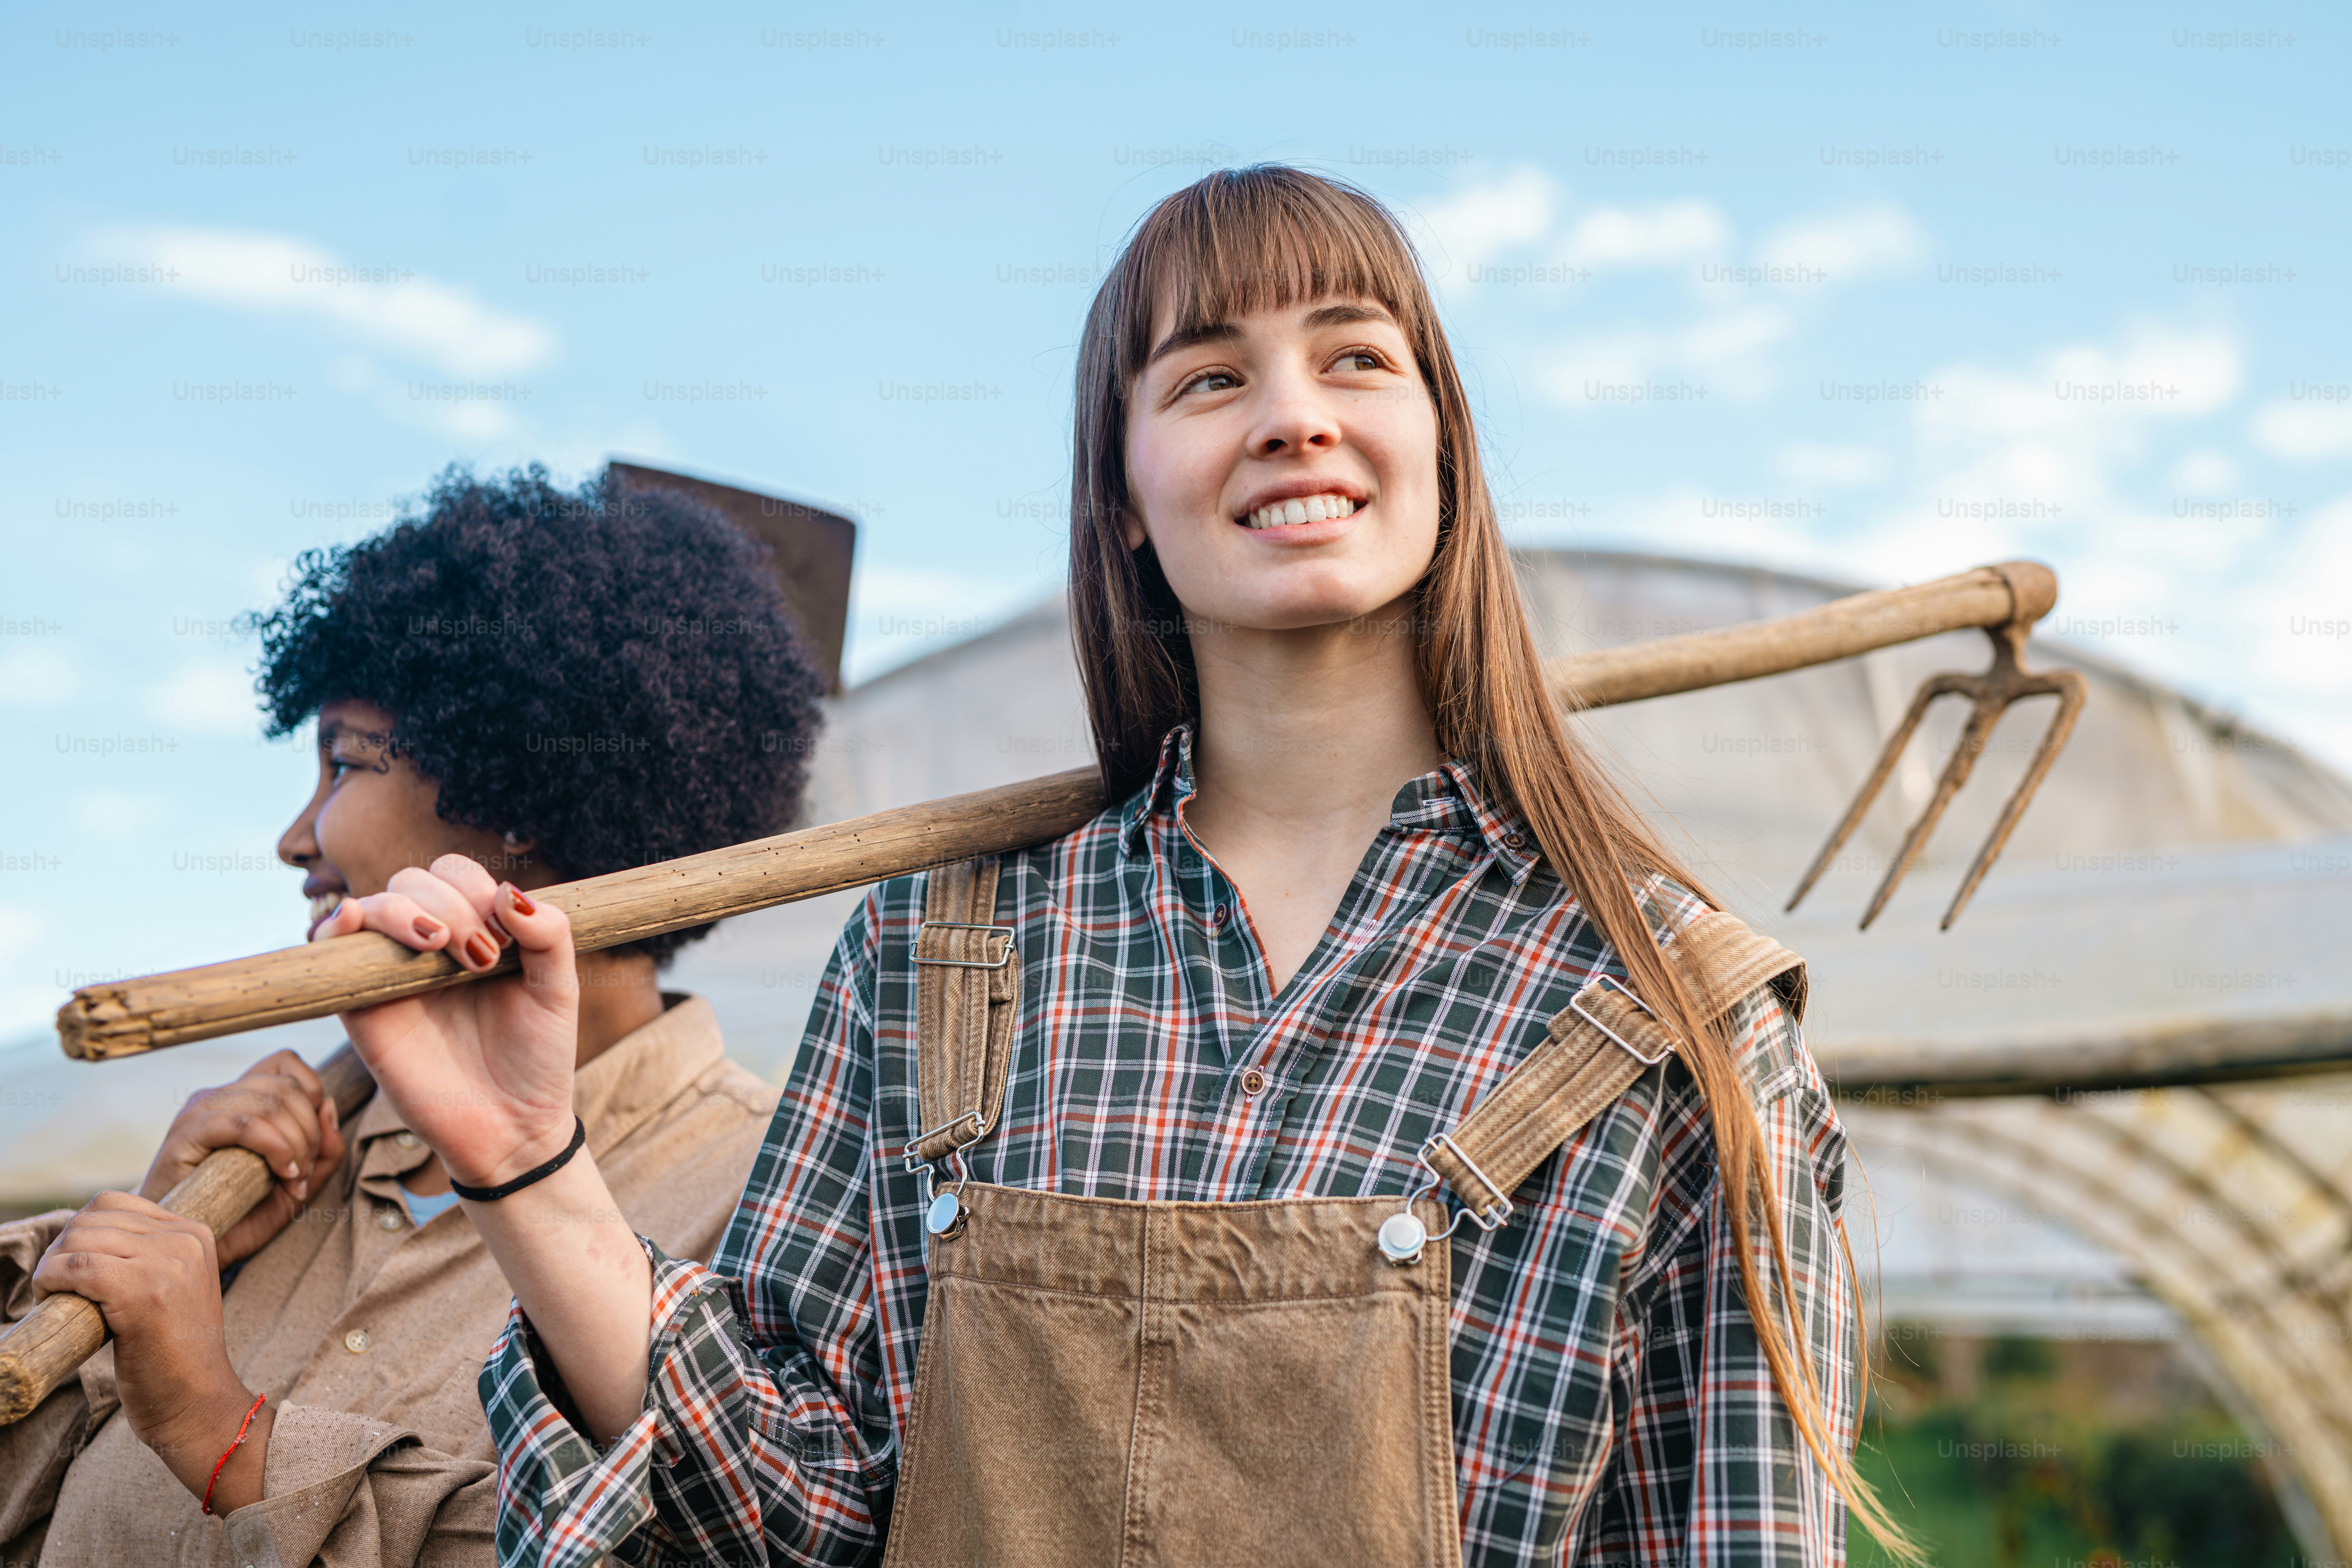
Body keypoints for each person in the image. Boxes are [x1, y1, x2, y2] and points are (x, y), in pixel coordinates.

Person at [328, 170, 1914, 1566]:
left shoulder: (1670, 1014)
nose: (1295, 413)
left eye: (1357, 357)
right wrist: (531, 1162)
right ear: (1127, 498)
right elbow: (778, 1523)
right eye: (1210, 377)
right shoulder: (937, 955)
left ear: (1442, 445)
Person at [0, 466, 824, 1566]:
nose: (296, 839)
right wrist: (155, 1238)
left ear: (518, 798)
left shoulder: (765, 1198)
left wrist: (224, 1431)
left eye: (345, 760)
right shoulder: (274, 1164)